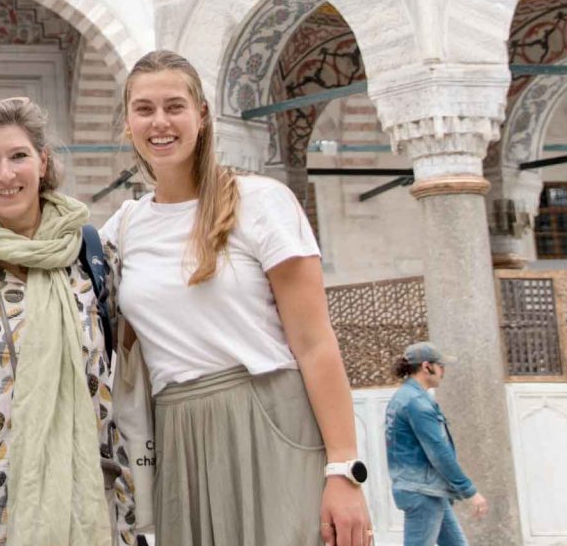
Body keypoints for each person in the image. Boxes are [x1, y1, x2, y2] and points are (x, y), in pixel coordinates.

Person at [103, 50, 370, 546]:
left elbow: (314, 343)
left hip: (270, 416)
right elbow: (50, 258)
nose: (160, 122)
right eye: (144, 109)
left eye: (174, 106)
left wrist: (344, 470)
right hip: (178, 433)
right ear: (128, 122)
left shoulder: (262, 203)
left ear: (201, 115)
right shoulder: (124, 227)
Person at [0, 98, 127, 543]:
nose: (6, 174)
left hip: (86, 494)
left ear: (43, 161)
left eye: (18, 156)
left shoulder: (94, 258)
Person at [387, 342, 488, 546]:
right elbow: (438, 451)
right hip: (423, 492)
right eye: (440, 366)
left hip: (429, 489)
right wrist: (470, 492)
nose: (443, 371)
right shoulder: (416, 402)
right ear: (427, 367)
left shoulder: (407, 397)